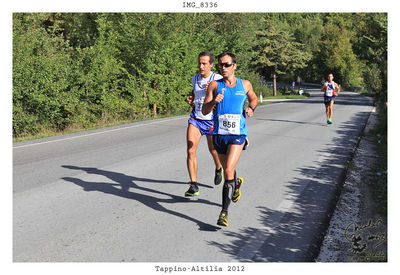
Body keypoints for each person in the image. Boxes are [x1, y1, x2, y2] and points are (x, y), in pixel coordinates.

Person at [202, 52, 258, 227]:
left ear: (234, 65)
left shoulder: (245, 84)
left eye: (227, 65)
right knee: (228, 170)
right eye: (220, 65)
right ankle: (236, 183)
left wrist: (251, 108)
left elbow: (254, 98)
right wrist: (213, 103)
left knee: (228, 171)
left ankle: (224, 212)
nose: (223, 68)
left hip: (238, 134)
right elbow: (204, 110)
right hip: (219, 134)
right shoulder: (214, 85)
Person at [185, 51, 224, 197]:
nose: (201, 66)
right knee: (190, 150)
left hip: (211, 120)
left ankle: (218, 167)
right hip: (196, 118)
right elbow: (195, 94)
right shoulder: (195, 78)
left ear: (211, 65)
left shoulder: (218, 79)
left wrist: (212, 91)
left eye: (204, 64)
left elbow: (223, 97)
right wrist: (191, 98)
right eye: (199, 63)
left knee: (213, 150)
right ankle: (193, 185)